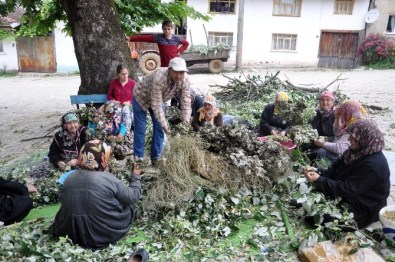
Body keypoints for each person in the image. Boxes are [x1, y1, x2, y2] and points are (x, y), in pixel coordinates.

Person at [52, 140, 143, 249]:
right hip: (99, 235)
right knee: (129, 206)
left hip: (68, 232)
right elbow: (132, 196)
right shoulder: (108, 179)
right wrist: (135, 176)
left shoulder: (69, 178)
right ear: (103, 157)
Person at [304, 119, 390, 228]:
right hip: (348, 192)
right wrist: (318, 172)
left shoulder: (373, 164)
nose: (349, 140)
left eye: (354, 138)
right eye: (350, 136)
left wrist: (319, 180)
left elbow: (349, 189)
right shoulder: (356, 150)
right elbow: (336, 164)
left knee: (320, 217)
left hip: (365, 205)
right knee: (308, 200)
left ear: (365, 139)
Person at [133, 57, 191, 162]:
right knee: (141, 129)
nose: (178, 76)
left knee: (159, 128)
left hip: (158, 99)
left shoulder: (185, 80)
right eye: (176, 72)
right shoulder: (159, 77)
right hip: (141, 97)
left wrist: (186, 123)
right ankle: (138, 159)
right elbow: (156, 105)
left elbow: (186, 101)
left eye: (181, 72)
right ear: (169, 70)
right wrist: (165, 125)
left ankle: (156, 158)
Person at [107, 64, 136, 133]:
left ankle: (126, 132)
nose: (125, 76)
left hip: (128, 105)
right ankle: (116, 131)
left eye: (126, 73)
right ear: (118, 74)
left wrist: (129, 102)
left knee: (126, 110)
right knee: (117, 111)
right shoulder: (114, 82)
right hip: (117, 105)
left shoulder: (132, 83)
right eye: (123, 74)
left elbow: (137, 97)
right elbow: (109, 95)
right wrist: (114, 101)